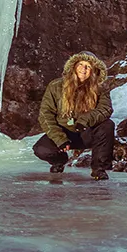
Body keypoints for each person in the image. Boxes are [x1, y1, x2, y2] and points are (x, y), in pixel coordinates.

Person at [32, 51, 114, 180]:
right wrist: (59, 138)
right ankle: (59, 160)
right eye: (81, 64)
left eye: (88, 66)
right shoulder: (55, 86)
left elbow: (105, 109)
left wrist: (85, 120)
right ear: (74, 66)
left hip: (87, 132)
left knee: (107, 125)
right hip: (64, 133)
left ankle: (99, 169)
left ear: (93, 70)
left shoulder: (100, 89)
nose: (84, 68)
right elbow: (45, 115)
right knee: (41, 149)